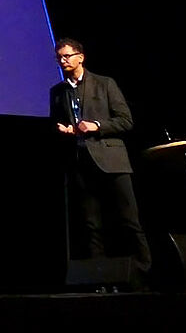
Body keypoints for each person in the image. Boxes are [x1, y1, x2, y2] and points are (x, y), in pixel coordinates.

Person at [49, 38, 151, 284]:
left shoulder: (105, 84)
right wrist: (65, 131)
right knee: (91, 225)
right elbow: (57, 124)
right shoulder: (57, 92)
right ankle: (100, 279)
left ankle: (144, 274)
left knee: (129, 220)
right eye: (59, 57)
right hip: (80, 162)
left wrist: (96, 125)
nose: (63, 61)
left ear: (80, 57)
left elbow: (126, 121)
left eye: (67, 56)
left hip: (111, 160)